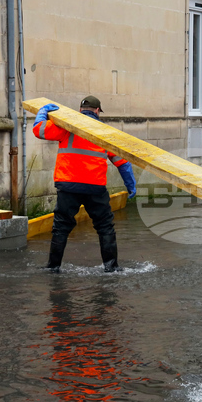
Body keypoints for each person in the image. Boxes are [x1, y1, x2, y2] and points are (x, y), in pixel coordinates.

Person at [33, 95, 137, 273]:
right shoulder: (104, 132)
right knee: (105, 227)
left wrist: (43, 113)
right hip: (94, 187)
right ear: (97, 111)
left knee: (61, 226)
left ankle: (53, 267)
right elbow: (122, 163)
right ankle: (111, 268)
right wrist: (130, 185)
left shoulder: (68, 126)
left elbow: (39, 130)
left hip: (68, 185)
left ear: (80, 110)